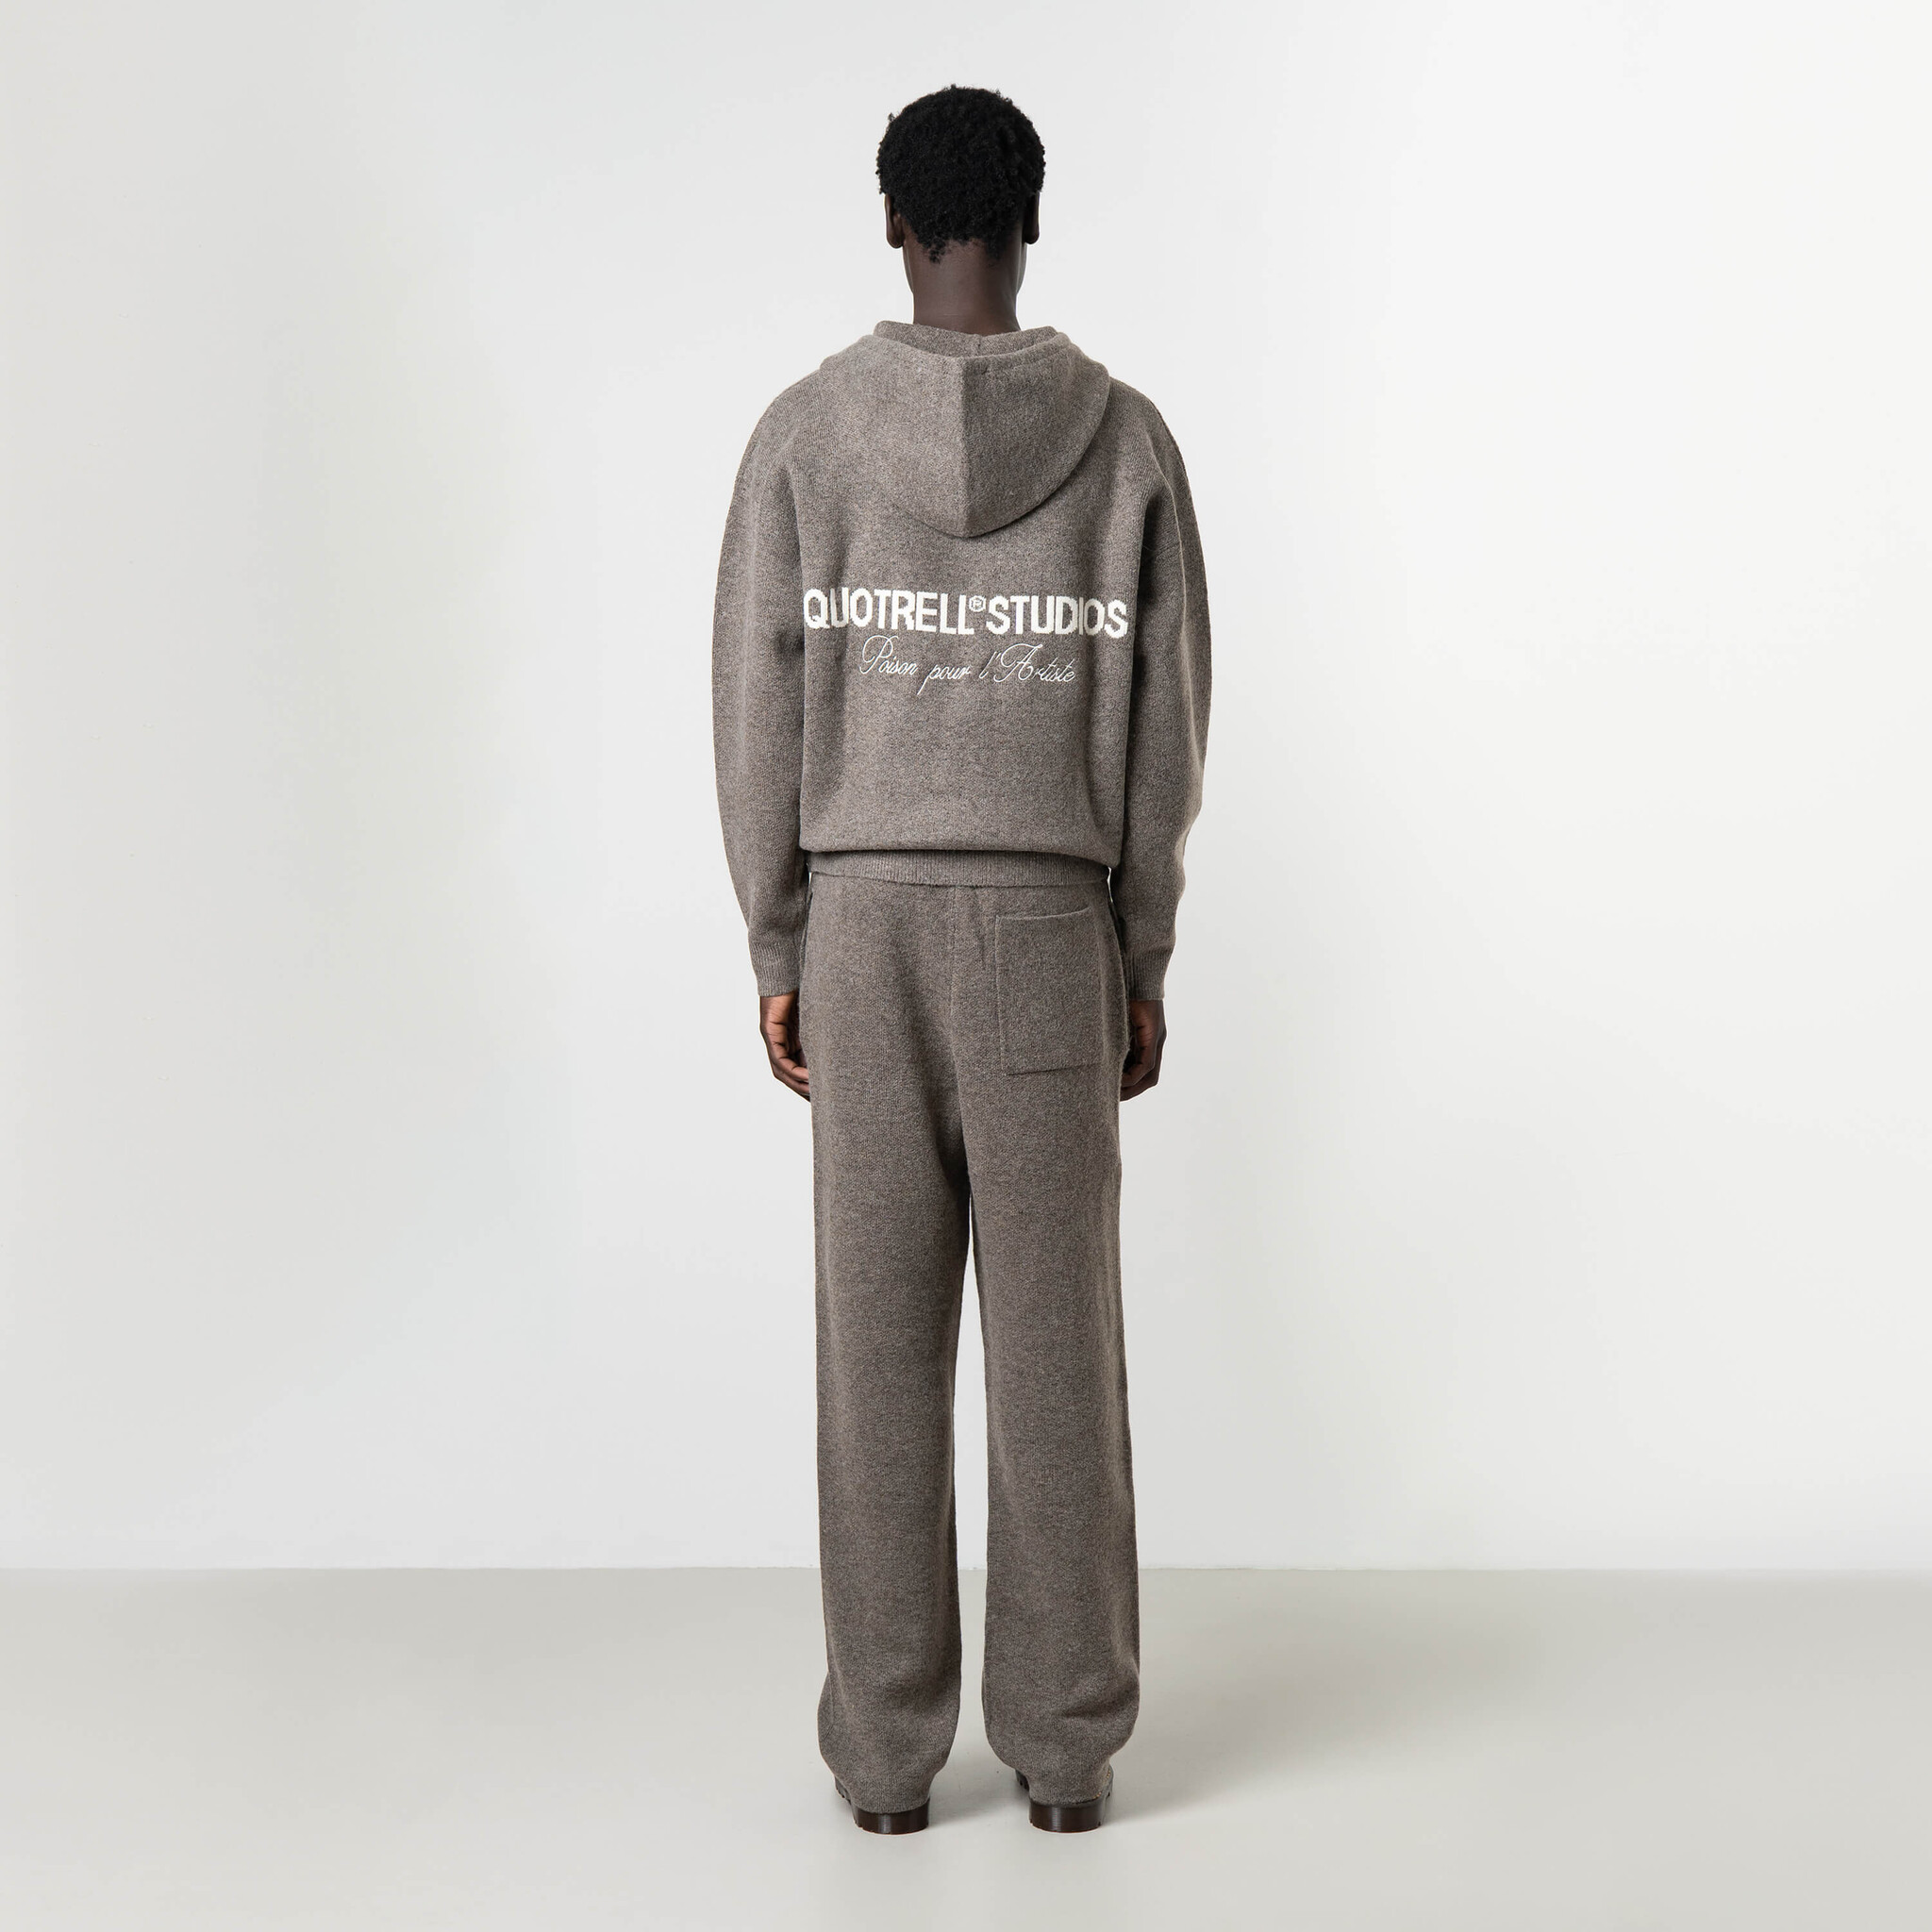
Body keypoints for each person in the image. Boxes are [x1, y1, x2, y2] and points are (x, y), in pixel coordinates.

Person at [711, 84, 1210, 1836]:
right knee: (1059, 1352)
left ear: (894, 226)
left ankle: (885, 1763)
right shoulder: (1127, 446)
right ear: (1031, 225)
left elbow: (757, 704)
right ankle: (1066, 1756)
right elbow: (1165, 731)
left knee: (876, 1356)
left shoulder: (804, 439)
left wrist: (779, 931)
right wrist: (1138, 947)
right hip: (1049, 931)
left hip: (860, 935)